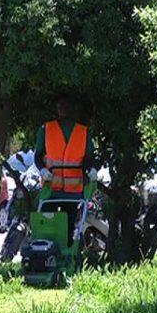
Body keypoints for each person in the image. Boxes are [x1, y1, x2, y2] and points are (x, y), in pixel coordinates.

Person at [34, 93, 98, 243]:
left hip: (73, 191)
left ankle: (66, 253)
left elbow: (89, 157)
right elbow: (38, 155)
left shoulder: (83, 132)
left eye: (67, 106)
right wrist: (43, 170)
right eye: (61, 106)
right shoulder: (46, 129)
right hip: (51, 188)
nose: (64, 110)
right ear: (57, 109)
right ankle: (44, 251)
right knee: (46, 223)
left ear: (74, 108)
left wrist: (92, 169)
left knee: (68, 224)